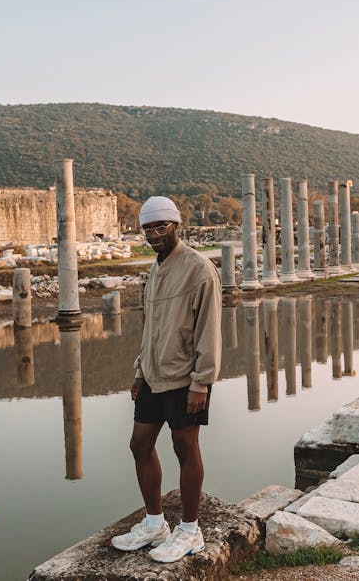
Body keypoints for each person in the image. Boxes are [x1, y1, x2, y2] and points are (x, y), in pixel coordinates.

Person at [110, 196, 222, 564]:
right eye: (148, 228)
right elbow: (151, 328)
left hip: (185, 378)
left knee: (185, 449)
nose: (154, 235)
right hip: (154, 376)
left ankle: (190, 531)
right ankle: (156, 523)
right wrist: (140, 370)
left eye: (161, 227)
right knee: (139, 445)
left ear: (176, 225)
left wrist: (201, 382)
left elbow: (209, 331)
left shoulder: (199, 269)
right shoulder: (156, 269)